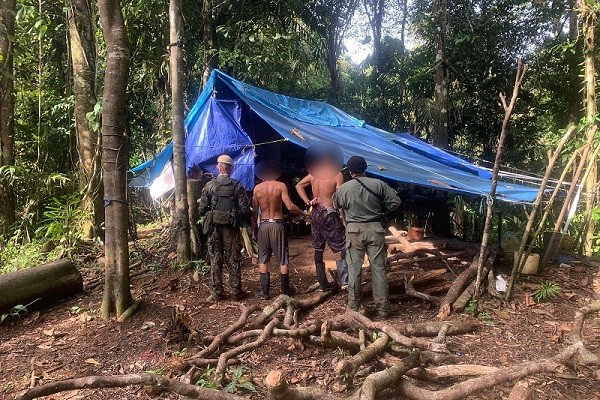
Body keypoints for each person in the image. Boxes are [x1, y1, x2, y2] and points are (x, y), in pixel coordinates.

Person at [333, 156, 401, 318]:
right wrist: (383, 213)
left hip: (353, 230)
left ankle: (354, 308)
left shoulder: (343, 188)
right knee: (379, 269)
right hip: (375, 229)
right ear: (365, 169)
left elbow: (336, 205)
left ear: (350, 172)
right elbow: (395, 202)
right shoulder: (378, 184)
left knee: (354, 270)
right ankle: (383, 309)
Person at [198, 154, 251, 302]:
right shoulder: (237, 186)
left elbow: (202, 209)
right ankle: (236, 291)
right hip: (231, 229)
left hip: (214, 228)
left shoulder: (209, 186)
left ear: (218, 166)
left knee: (215, 258)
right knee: (233, 258)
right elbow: (245, 209)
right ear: (231, 168)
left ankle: (216, 292)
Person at [252, 160, 305, 298]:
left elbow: (254, 211)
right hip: (277, 224)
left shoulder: (257, 189)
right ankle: (285, 292)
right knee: (282, 259)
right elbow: (290, 206)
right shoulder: (280, 186)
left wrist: (254, 228)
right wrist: (303, 213)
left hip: (263, 225)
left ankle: (264, 292)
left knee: (262, 259)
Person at [295, 169, 349, 290]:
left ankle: (322, 283)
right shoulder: (337, 174)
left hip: (316, 213)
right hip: (329, 213)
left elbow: (298, 185)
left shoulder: (314, 173)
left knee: (318, 247)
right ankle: (345, 280)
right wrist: (343, 219)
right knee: (344, 244)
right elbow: (339, 199)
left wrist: (308, 202)